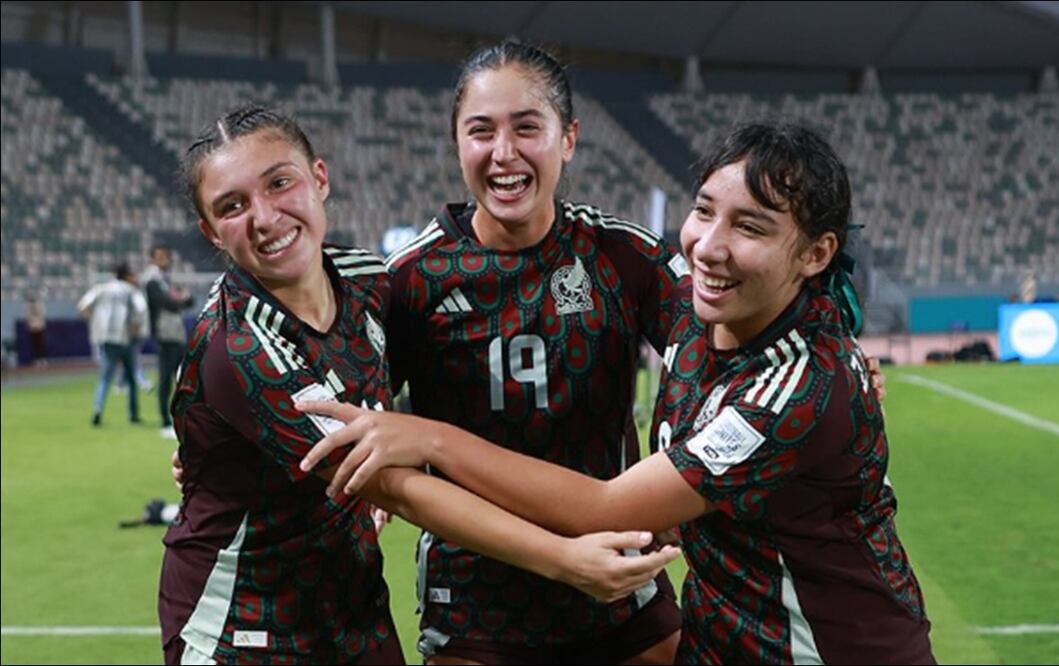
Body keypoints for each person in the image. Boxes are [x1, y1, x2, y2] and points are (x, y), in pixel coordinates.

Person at [299, 124, 935, 664]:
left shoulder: (798, 385)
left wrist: (428, 438)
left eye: (750, 227)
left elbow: (608, 508)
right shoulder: (699, 324)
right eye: (704, 211)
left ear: (816, 253)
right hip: (720, 643)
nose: (709, 246)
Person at [160, 104, 678, 665]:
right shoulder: (238, 345)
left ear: (319, 178)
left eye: (279, 183)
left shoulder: (369, 283)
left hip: (352, 610)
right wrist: (564, 559)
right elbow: (391, 485)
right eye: (232, 206)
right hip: (244, 628)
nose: (264, 217)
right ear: (211, 232)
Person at [377, 41, 687, 664]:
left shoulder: (624, 257)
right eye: (481, 131)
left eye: (526, 128)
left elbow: (722, 350)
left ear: (567, 138)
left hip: (618, 580)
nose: (504, 153)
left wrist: (831, 353)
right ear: (457, 143)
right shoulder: (410, 281)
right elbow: (356, 415)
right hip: (477, 602)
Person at [78, 263, 148, 426]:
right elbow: (141, 309)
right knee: (131, 378)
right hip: (126, 339)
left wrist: (94, 320)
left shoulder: (101, 288)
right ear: (127, 275)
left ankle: (98, 408)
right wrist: (136, 328)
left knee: (105, 378)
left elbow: (82, 305)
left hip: (106, 339)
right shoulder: (131, 290)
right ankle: (133, 415)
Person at [143, 244, 194, 438]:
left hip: (176, 333)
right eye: (160, 256)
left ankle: (180, 419)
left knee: (180, 378)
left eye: (166, 256)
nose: (164, 260)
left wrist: (180, 299)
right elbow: (168, 303)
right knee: (166, 378)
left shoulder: (166, 280)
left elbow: (188, 300)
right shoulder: (152, 281)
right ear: (152, 259)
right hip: (164, 334)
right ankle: (165, 421)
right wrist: (180, 299)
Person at [24, 290, 47, 367]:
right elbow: (28, 317)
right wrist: (30, 324)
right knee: (35, 344)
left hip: (39, 327)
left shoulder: (39, 304)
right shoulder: (28, 306)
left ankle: (42, 359)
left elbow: (41, 315)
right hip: (33, 328)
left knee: (40, 344)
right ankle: (37, 359)